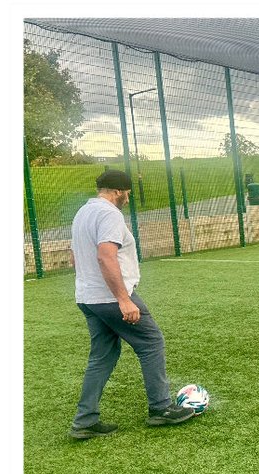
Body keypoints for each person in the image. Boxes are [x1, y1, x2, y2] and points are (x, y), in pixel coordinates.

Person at [67, 169, 195, 441]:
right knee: (151, 342)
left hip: (88, 298)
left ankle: (85, 420)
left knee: (102, 356)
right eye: (127, 194)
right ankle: (161, 407)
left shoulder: (82, 213)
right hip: (110, 298)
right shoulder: (110, 214)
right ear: (118, 192)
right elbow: (105, 255)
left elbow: (75, 258)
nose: (127, 198)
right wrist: (123, 299)